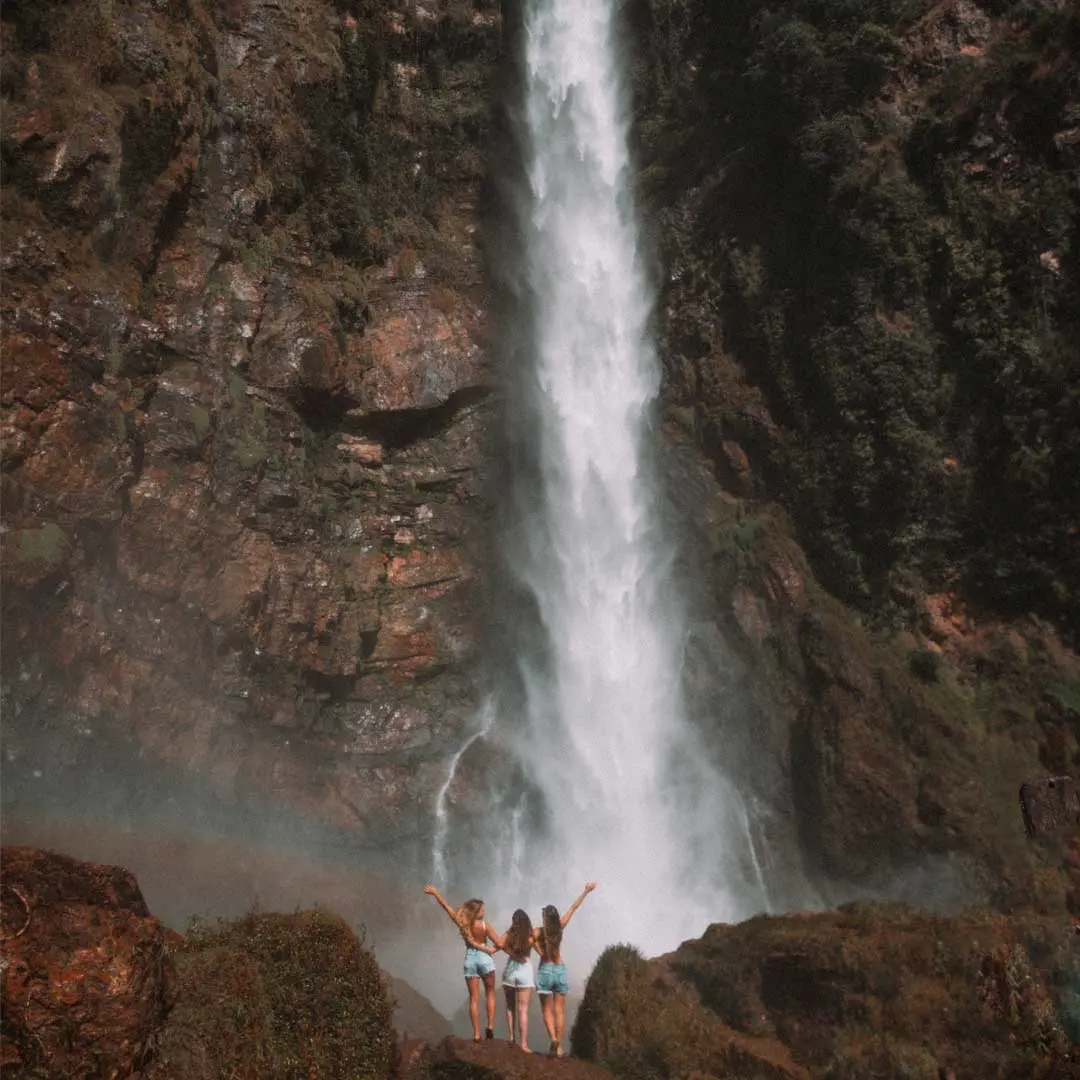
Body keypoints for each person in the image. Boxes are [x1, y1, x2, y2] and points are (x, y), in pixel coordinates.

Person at [423, 884, 499, 1041]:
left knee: (474, 998)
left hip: (470, 959)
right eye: (482, 910)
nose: (484, 912)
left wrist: (436, 893)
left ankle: (476, 1034)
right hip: (485, 959)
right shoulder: (486, 926)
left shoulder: (463, 923)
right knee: (490, 992)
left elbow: (446, 907)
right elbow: (499, 943)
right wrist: (495, 948)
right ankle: (490, 1026)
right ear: (476, 912)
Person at [534, 881, 596, 1057]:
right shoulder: (560, 927)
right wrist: (586, 891)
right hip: (559, 969)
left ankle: (553, 1038)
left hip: (545, 969)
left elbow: (529, 940)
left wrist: (540, 952)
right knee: (559, 1010)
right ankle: (559, 1047)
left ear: (545, 918)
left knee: (546, 1009)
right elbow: (574, 907)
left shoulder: (538, 932)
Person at [488, 908, 536, 1051]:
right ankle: (524, 1044)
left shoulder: (511, 936)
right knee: (523, 1009)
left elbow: (500, 944)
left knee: (510, 1006)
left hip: (510, 970)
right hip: (525, 970)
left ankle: (511, 1037)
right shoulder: (530, 937)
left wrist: (510, 931)